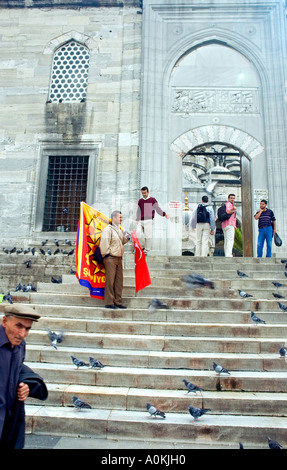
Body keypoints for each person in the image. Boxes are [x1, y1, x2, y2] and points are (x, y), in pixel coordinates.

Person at [0, 304, 48, 449]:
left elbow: (15, 370)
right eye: (18, 326)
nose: (22, 334)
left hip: (9, 420)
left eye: (27, 329)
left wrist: (25, 385)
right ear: (4, 321)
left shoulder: (20, 345)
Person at [100, 210, 130, 309]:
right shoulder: (108, 229)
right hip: (111, 258)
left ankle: (118, 301)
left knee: (119, 281)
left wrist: (127, 238)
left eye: (121, 217)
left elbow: (120, 242)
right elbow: (104, 243)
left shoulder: (118, 229)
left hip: (118, 258)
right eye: (119, 217)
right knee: (110, 280)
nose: (121, 219)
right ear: (114, 218)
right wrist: (107, 255)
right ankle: (109, 302)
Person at [136, 186, 169, 255]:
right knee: (138, 233)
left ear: (148, 192)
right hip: (141, 220)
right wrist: (137, 219)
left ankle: (146, 250)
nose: (144, 194)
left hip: (149, 220)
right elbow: (138, 210)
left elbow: (157, 208)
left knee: (148, 236)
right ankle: (142, 247)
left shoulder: (152, 200)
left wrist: (164, 214)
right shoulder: (140, 201)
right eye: (142, 193)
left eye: (145, 193)